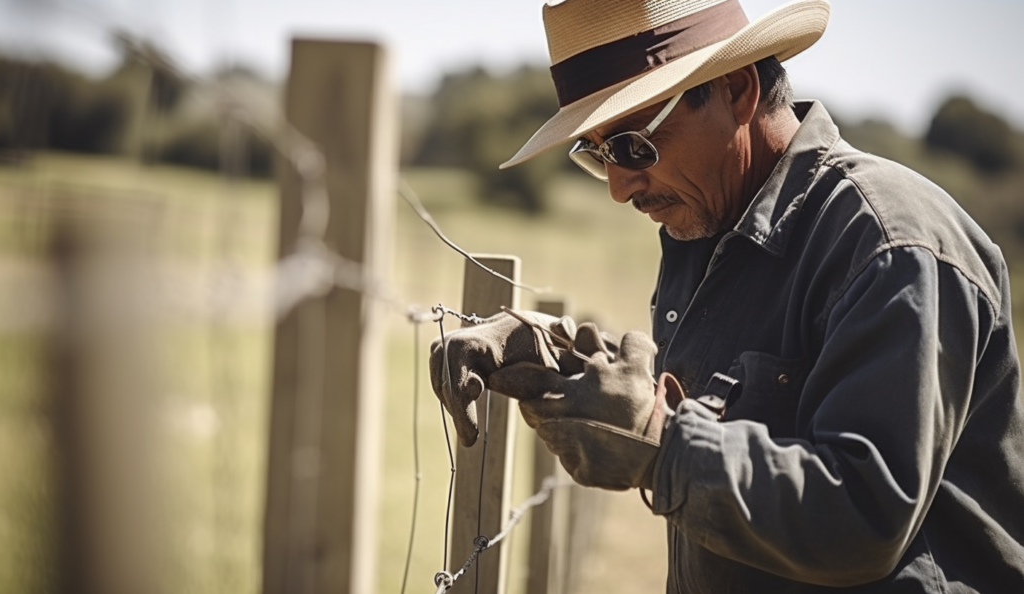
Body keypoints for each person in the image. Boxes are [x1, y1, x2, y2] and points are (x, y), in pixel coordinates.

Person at [429, 0, 1024, 591]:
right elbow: (719, 396)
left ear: (736, 89)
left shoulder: (890, 245)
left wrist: (661, 446)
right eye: (598, 152)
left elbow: (865, 517)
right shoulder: (707, 224)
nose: (618, 187)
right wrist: (552, 352)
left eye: (634, 145)